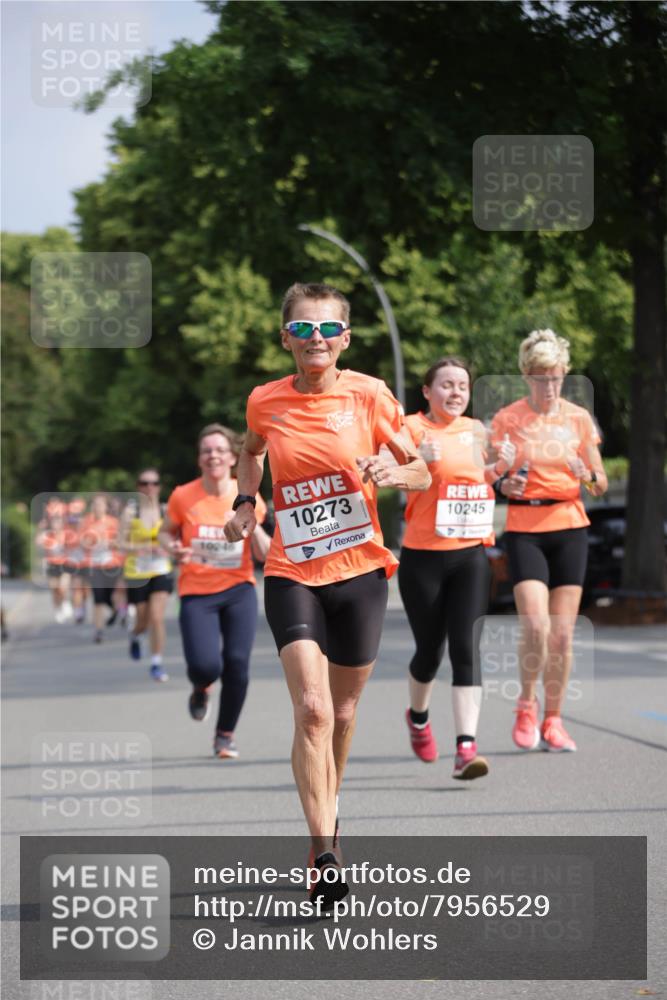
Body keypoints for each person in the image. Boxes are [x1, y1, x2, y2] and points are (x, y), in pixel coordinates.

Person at [225, 282, 430, 907]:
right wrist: (244, 500)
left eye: (327, 330)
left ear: (345, 338)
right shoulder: (265, 401)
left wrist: (393, 472)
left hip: (361, 572)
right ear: (286, 337)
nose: (316, 340)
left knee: (343, 715)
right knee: (313, 711)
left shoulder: (368, 394)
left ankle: (328, 818)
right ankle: (325, 850)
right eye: (303, 330)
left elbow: (420, 468)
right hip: (292, 570)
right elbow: (251, 454)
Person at [489, 329, 607, 752]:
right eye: (540, 377)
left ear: (565, 375)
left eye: (555, 376)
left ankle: (554, 720)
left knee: (562, 635)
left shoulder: (577, 418)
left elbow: (600, 483)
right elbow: (489, 476)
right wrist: (504, 483)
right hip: (525, 528)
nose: (549, 385)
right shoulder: (508, 418)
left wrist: (586, 473)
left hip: (570, 526)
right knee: (535, 625)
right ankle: (526, 705)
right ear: (527, 376)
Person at [399, 357, 493, 780]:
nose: (455, 393)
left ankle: (465, 748)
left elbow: (485, 481)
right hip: (423, 557)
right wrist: (415, 459)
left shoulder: (476, 431)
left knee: (466, 649)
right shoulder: (410, 428)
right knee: (429, 651)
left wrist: (502, 467)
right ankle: (418, 717)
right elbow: (382, 476)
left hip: (470, 552)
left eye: (462, 386)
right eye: (446, 385)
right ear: (426, 391)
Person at [159, 425, 271, 757]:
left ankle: (225, 734)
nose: (214, 456)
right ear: (200, 458)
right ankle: (200, 687)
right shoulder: (183, 496)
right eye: (207, 450)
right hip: (196, 591)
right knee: (205, 666)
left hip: (239, 589)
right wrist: (173, 548)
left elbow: (263, 548)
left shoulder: (246, 494)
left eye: (220, 450)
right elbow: (165, 533)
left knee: (237, 663)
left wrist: (253, 531)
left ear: (232, 456)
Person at [122, 468, 174, 683]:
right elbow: (119, 542)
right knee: (143, 620)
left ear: (159, 487)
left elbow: (176, 538)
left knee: (156, 617)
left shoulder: (166, 510)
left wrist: (169, 548)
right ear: (138, 487)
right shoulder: (129, 512)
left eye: (154, 483)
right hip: (136, 572)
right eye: (144, 483)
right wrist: (137, 548)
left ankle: (156, 662)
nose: (149, 487)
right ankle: (135, 635)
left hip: (161, 569)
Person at [80, 493, 123, 643]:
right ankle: (99, 631)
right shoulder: (86, 522)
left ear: (106, 507)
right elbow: (82, 543)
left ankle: (116, 610)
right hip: (94, 565)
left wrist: (108, 543)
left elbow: (120, 543)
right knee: (98, 598)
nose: (97, 507)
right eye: (95, 504)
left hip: (111, 563)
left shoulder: (114, 523)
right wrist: (91, 543)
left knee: (109, 596)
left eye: (100, 504)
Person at [36, 499, 73, 623]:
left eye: (58, 522)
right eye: (54, 522)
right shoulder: (47, 535)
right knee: (54, 589)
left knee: (63, 587)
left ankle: (66, 602)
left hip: (64, 564)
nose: (56, 524)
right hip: (52, 565)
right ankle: (57, 608)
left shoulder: (66, 534)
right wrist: (40, 529)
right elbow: (37, 543)